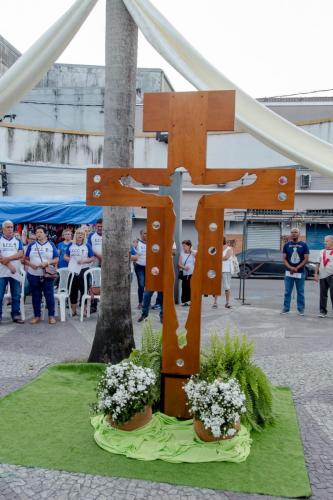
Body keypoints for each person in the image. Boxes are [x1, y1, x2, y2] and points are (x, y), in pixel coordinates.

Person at [25, 225, 59, 325]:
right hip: (33, 274)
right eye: (37, 232)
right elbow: (25, 259)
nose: (38, 234)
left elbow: (56, 259)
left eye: (40, 232)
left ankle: (51, 316)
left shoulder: (51, 244)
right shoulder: (32, 245)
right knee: (36, 296)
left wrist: (47, 263)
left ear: (45, 234)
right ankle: (37, 316)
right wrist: (31, 265)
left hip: (47, 275)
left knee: (49, 295)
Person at [65, 228, 94, 317]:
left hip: (84, 271)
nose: (80, 235)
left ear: (84, 235)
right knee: (72, 291)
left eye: (82, 233)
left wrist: (84, 261)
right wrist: (71, 260)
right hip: (73, 271)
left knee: (84, 291)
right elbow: (65, 256)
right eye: (78, 233)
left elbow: (92, 258)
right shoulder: (71, 244)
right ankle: (74, 311)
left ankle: (84, 310)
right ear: (75, 235)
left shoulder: (87, 245)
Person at [0, 220, 24, 323]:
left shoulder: (17, 241)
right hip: (1, 273)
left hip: (15, 273)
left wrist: (7, 259)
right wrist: (9, 265)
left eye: (11, 227)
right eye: (8, 227)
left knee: (16, 295)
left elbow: (20, 254)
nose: (10, 229)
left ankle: (15, 315)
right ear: (3, 229)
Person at [281, 227, 309, 315]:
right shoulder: (286, 245)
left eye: (296, 232)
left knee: (300, 291)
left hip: (300, 272)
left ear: (299, 234)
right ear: (290, 234)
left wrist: (297, 268)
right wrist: (290, 267)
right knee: (287, 291)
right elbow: (284, 258)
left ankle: (301, 309)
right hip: (289, 272)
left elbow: (306, 259)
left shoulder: (304, 245)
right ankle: (286, 308)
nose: (294, 233)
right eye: (292, 232)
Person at [315, 235, 333, 318]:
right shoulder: (321, 251)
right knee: (323, 294)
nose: (325, 243)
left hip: (331, 275)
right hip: (322, 276)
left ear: (332, 242)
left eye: (327, 241)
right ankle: (322, 311)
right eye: (324, 241)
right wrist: (316, 274)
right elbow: (318, 263)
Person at [212, 237, 233, 309]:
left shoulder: (229, 249)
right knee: (216, 287)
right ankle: (215, 302)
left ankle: (227, 303)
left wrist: (217, 257)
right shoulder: (216, 248)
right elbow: (212, 256)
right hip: (217, 269)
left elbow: (226, 257)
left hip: (226, 270)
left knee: (227, 287)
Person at [178, 240, 196, 306]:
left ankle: (192, 301)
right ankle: (185, 301)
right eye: (183, 246)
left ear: (189, 246)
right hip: (185, 273)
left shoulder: (193, 253)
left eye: (185, 246)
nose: (183, 247)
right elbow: (179, 264)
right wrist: (184, 267)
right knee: (184, 287)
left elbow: (198, 260)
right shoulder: (182, 253)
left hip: (193, 273)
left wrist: (192, 251)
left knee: (191, 287)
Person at [134, 229, 147, 309]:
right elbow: (133, 251)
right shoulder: (137, 242)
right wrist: (135, 245)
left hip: (149, 268)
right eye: (145, 233)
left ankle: (146, 302)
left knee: (148, 286)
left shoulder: (152, 243)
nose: (146, 235)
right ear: (141, 234)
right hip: (139, 267)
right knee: (141, 284)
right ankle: (140, 302)